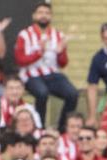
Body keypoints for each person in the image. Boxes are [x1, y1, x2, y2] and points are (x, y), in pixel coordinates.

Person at [14, 2, 76, 132]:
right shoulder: (24, 34)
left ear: (51, 16)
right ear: (34, 15)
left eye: (47, 13)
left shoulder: (58, 35)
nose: (44, 16)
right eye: (41, 12)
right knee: (42, 94)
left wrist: (61, 52)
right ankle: (39, 129)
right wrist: (39, 52)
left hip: (52, 74)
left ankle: (62, 129)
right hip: (31, 75)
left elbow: (63, 63)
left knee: (72, 94)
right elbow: (20, 60)